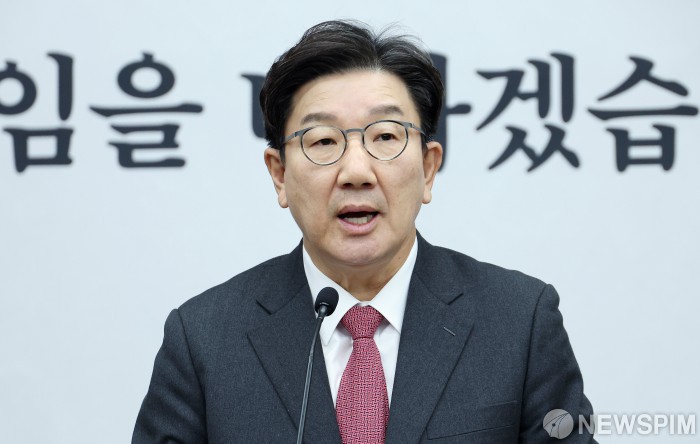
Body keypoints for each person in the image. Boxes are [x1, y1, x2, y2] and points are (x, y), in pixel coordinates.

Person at [132, 20, 595, 443]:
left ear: (428, 168)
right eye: (323, 141)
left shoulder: (519, 322)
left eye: (386, 137)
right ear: (279, 175)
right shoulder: (204, 340)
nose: (356, 172)